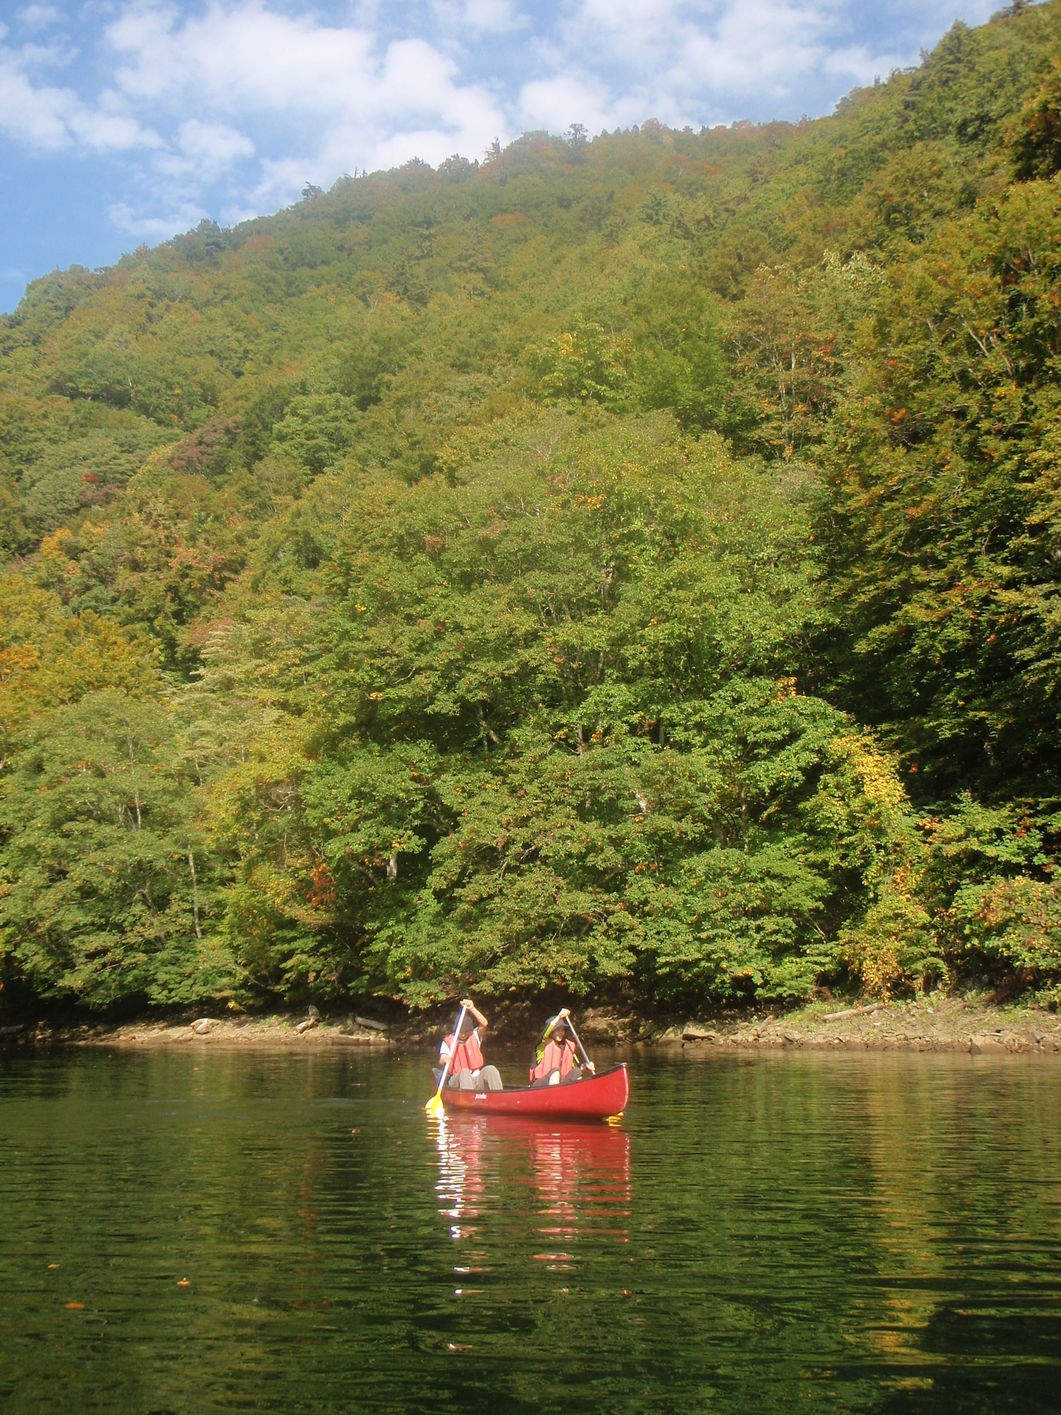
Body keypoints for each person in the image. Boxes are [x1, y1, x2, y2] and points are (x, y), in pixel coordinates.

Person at [439, 998, 503, 1092]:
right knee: (464, 1072)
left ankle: (499, 1096)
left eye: (466, 1031)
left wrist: (472, 1008)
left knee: (491, 1069)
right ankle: (469, 1099)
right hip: (457, 1080)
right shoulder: (447, 1042)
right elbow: (442, 1058)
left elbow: (484, 1024)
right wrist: (445, 1059)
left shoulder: (474, 1036)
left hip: (476, 1079)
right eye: (461, 1032)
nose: (464, 1034)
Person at [529, 1008, 595, 1086]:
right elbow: (545, 1033)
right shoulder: (541, 1045)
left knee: (576, 1072)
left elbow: (576, 1067)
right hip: (541, 1085)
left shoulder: (569, 1046)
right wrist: (559, 1016)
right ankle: (554, 1096)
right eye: (558, 1030)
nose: (561, 1032)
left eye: (563, 1030)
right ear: (551, 1032)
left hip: (560, 1084)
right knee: (555, 1072)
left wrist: (585, 1067)